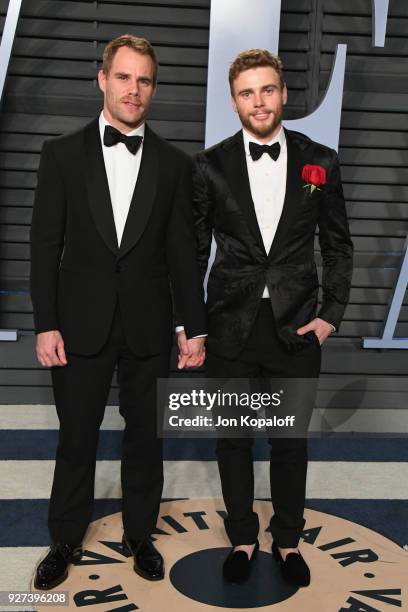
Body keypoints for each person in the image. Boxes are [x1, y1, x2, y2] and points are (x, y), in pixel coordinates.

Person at [30, 34, 206, 590]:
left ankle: (139, 534)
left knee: (146, 439)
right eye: (124, 77)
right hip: (78, 323)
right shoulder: (60, 153)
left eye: (145, 80)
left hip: (150, 326)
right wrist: (45, 323)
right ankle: (63, 538)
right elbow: (43, 245)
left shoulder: (177, 166)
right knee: (75, 436)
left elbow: (183, 254)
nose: (134, 90)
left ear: (153, 88)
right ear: (102, 78)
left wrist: (191, 326)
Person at [192, 49, 353, 586]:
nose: (258, 102)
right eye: (246, 93)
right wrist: (191, 325)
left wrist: (331, 314)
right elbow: (193, 253)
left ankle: (287, 541)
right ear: (233, 101)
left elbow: (337, 246)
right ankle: (241, 536)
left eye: (267, 90)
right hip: (229, 328)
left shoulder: (320, 160)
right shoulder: (209, 166)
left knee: (290, 443)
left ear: (283, 93)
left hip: (297, 327)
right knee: (232, 440)